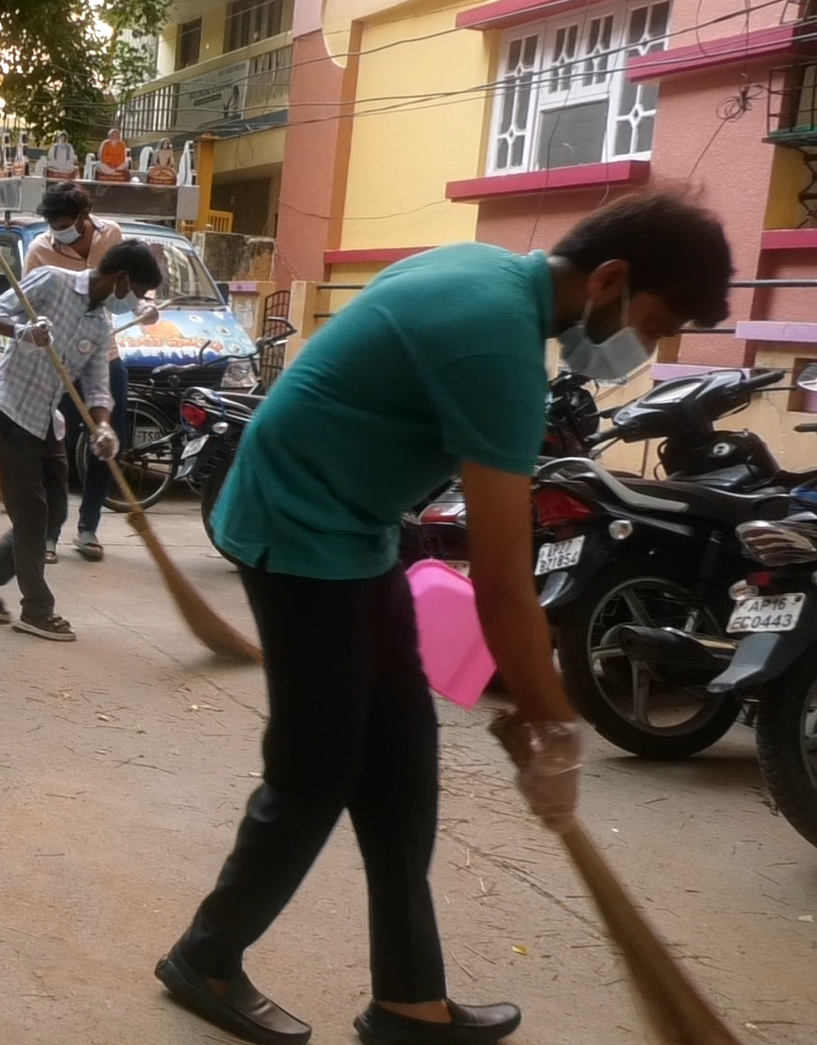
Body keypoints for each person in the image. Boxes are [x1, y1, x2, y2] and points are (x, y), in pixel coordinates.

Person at [154, 193, 733, 1045]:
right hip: (299, 528)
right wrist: (555, 724)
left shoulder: (488, 273)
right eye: (657, 323)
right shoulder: (498, 344)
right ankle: (203, 956)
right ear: (610, 279)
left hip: (355, 530)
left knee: (401, 762)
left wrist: (546, 718)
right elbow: (504, 582)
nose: (649, 350)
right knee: (317, 770)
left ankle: (411, 1001)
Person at [0, 241, 161, 642]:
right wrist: (22, 330)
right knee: (31, 514)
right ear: (121, 280)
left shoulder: (100, 324)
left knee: (54, 512)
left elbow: (98, 386)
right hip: (11, 409)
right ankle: (37, 609)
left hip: (48, 420)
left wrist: (104, 427)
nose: (135, 303)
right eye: (138, 293)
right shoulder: (52, 281)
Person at [24, 181, 146, 564]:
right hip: (59, 359)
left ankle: (88, 527)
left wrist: (141, 306)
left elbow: (128, 285)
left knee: (107, 440)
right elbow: (28, 301)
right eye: (53, 225)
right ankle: (48, 533)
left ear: (83, 217)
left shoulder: (113, 235)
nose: (58, 231)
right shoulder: (41, 249)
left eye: (65, 223)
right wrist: (35, 328)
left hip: (102, 351)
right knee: (54, 446)